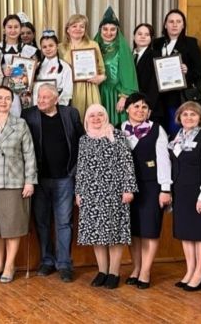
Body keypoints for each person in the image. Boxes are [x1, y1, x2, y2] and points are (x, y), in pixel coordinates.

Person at [21, 83, 84, 282]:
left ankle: (64, 264)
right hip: (39, 179)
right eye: (39, 97)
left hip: (65, 178)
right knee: (42, 222)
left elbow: (82, 142)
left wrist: (75, 171)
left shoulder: (70, 114)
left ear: (56, 99)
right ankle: (47, 261)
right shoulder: (28, 115)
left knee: (64, 222)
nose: (40, 100)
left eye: (45, 97)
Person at [75, 104, 137, 289]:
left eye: (100, 115)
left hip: (114, 193)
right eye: (92, 115)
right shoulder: (84, 139)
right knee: (96, 234)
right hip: (91, 194)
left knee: (114, 234)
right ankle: (102, 271)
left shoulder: (117, 136)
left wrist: (128, 189)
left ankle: (114, 272)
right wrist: (78, 192)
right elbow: (81, 168)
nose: (96, 118)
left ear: (106, 116)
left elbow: (127, 163)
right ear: (87, 119)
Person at [0, 86, 37, 283]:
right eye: (0, 98)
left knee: (12, 226)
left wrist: (29, 181)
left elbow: (29, 154)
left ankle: (10, 265)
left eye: (7, 98)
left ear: (12, 102)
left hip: (14, 182)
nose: (3, 101)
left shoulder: (20, 124)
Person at [120, 93, 172, 289]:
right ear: (127, 108)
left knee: (150, 230)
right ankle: (136, 268)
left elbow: (164, 161)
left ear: (149, 111)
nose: (140, 110)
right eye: (136, 106)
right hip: (127, 188)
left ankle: (146, 271)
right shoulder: (118, 129)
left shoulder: (157, 130)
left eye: (144, 107)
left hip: (151, 186)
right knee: (133, 231)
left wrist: (165, 189)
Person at [168, 101, 201, 291]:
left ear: (200, 118)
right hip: (181, 192)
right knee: (186, 233)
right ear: (179, 117)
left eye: (193, 114)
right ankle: (190, 271)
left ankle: (200, 274)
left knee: (200, 234)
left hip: (198, 192)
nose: (188, 118)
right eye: (185, 114)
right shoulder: (176, 138)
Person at [152, 9, 201, 135]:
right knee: (159, 132)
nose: (174, 25)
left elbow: (198, 70)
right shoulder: (157, 43)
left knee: (175, 130)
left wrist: (187, 71)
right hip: (158, 96)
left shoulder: (191, 43)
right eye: (171, 22)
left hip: (178, 97)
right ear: (165, 25)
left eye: (178, 22)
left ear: (183, 25)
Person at [93, 6, 138, 126]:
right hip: (97, 92)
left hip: (115, 95)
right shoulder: (93, 47)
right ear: (100, 30)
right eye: (105, 29)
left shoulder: (122, 48)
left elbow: (129, 75)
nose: (108, 33)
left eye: (112, 29)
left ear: (117, 30)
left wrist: (124, 97)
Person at [59, 14, 106, 120]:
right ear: (67, 29)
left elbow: (102, 70)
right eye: (74, 26)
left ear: (85, 30)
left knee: (92, 118)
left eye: (82, 26)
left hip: (89, 88)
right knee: (72, 119)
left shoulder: (93, 45)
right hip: (69, 88)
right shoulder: (60, 48)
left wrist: (100, 78)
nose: (78, 29)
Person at [132, 23, 162, 123]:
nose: (143, 37)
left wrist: (149, 106)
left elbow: (155, 84)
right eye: (139, 34)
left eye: (147, 34)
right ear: (134, 36)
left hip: (149, 107)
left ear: (151, 38)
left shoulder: (155, 55)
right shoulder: (129, 55)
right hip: (132, 106)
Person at [35, 31, 73, 106]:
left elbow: (67, 92)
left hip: (57, 106)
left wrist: (55, 106)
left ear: (57, 46)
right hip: (38, 105)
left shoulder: (65, 67)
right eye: (44, 47)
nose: (48, 49)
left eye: (51, 46)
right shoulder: (36, 66)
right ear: (41, 49)